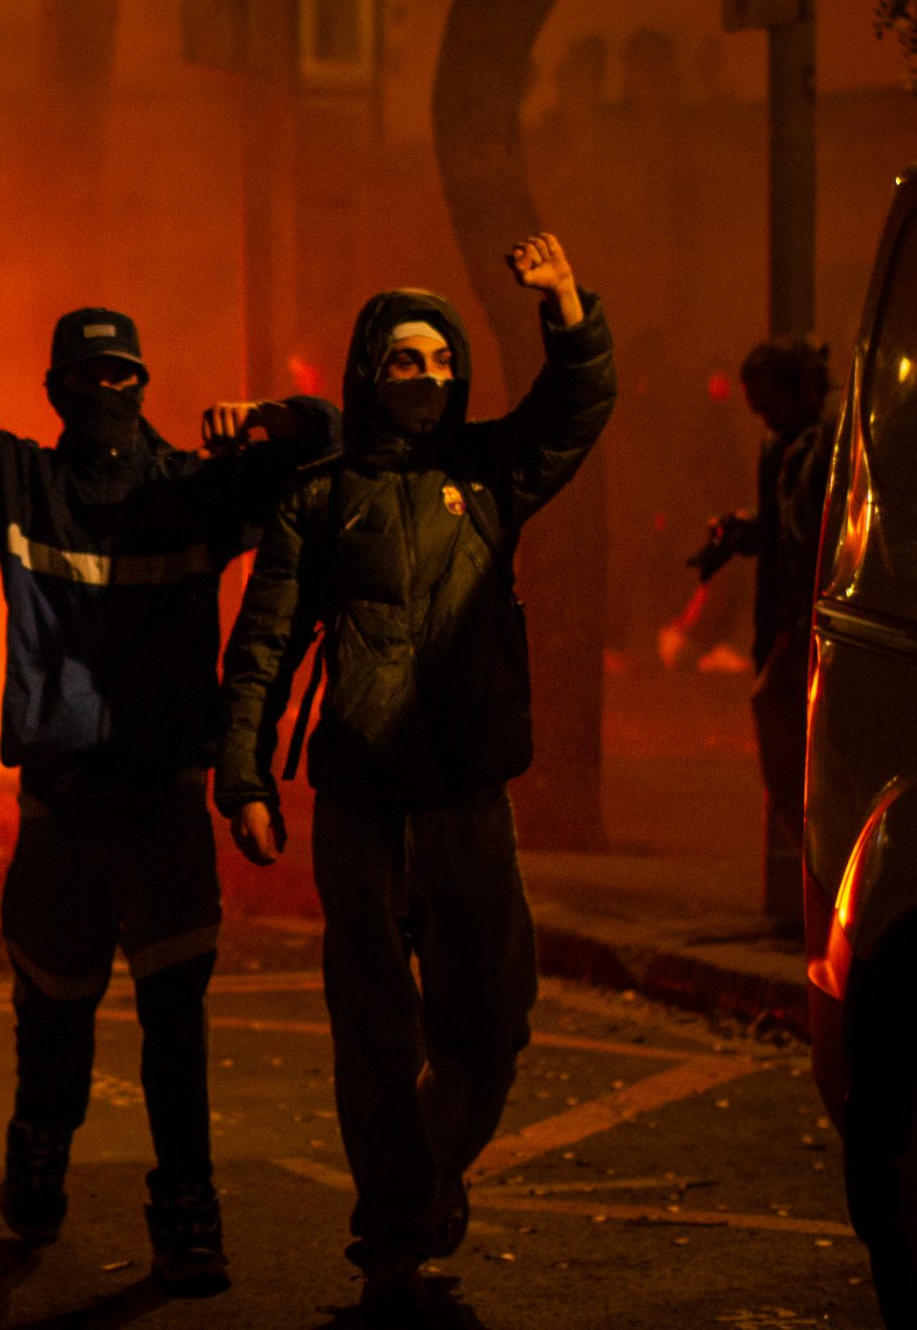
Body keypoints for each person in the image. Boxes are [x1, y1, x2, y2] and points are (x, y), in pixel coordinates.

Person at [0, 219, 338, 1296]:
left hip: (162, 806)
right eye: (89, 376)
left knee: (174, 1024)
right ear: (58, 389)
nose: (107, 390)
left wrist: (268, 418)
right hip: (61, 808)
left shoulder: (194, 490)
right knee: (54, 1013)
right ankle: (39, 1150)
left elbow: (326, 445)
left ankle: (187, 1212)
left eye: (122, 375)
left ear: (144, 385)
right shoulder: (23, 485)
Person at [213, 234, 615, 1306]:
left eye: (442, 360)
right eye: (405, 360)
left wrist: (565, 305)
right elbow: (264, 643)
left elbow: (573, 410)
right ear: (370, 371)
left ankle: (429, 1173)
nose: (427, 377)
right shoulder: (318, 497)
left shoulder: (489, 476)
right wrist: (245, 779)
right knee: (376, 1034)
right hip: (361, 806)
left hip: (467, 803)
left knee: (492, 1022)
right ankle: (393, 1225)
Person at [686, 336, 834, 933]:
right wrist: (739, 535)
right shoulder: (784, 448)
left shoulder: (822, 449)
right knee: (788, 756)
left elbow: (810, 541)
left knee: (792, 746)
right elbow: (779, 530)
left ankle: (820, 885)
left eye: (768, 400)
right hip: (788, 626)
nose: (761, 414)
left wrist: (797, 627)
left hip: (805, 629)